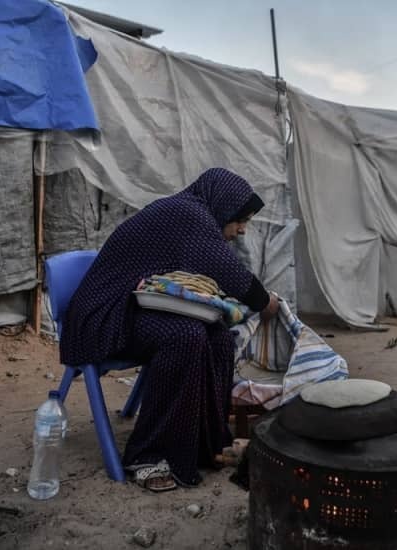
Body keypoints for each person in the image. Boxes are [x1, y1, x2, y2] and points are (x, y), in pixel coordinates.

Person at [59, 168, 279, 491]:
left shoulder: (191, 212)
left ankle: (206, 443)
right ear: (223, 205)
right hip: (102, 318)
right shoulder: (187, 214)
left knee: (217, 337)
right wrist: (266, 302)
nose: (242, 230)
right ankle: (148, 456)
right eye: (240, 219)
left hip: (129, 309)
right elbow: (228, 272)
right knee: (184, 336)